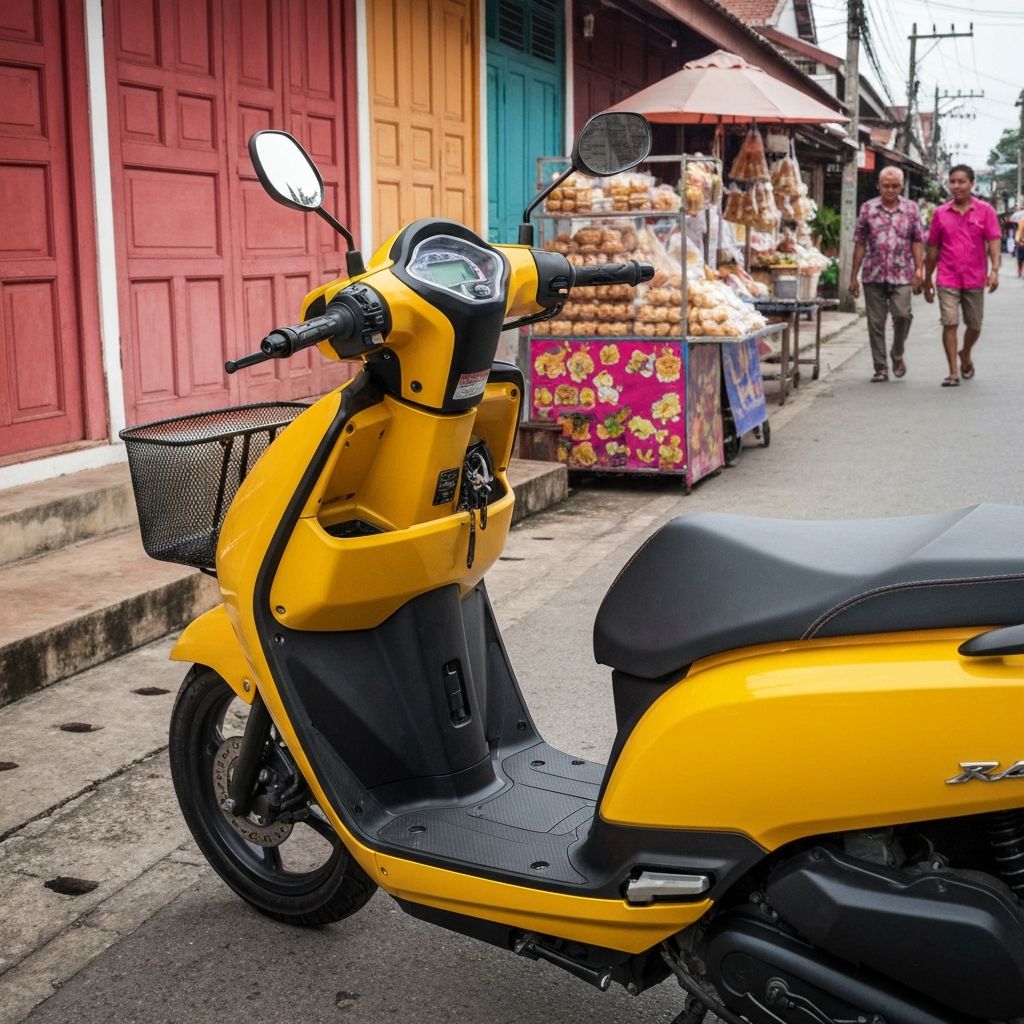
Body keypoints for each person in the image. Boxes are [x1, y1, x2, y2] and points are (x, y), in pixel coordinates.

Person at [923, 165, 1002, 386]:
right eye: (953, 182)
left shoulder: (985, 211)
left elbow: (994, 242)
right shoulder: (940, 213)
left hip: (975, 277)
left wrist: (994, 270)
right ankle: (953, 372)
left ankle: (965, 353)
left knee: (975, 325)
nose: (956, 186)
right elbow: (933, 249)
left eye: (961, 182)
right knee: (950, 322)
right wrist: (927, 278)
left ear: (971, 184)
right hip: (947, 277)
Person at [849, 167, 925, 382]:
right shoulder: (867, 209)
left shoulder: (911, 209)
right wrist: (853, 275)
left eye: (894, 186)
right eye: (885, 185)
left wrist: (920, 270)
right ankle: (880, 368)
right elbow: (860, 243)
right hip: (873, 275)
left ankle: (897, 352)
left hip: (902, 274)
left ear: (901, 187)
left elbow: (917, 240)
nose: (890, 190)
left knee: (902, 315)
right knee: (876, 322)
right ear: (878, 185)